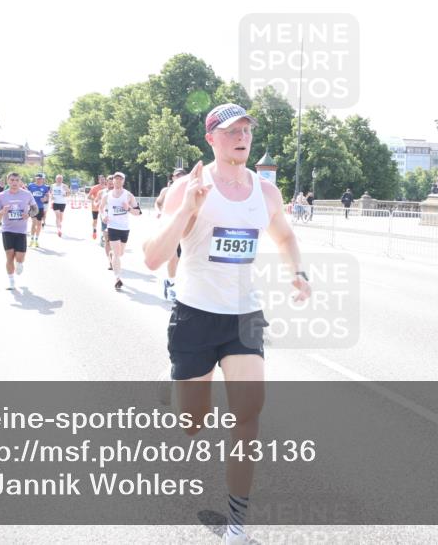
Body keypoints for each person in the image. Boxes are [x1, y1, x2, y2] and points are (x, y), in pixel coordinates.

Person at [143, 103, 311, 545]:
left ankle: (237, 524)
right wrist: (185, 212)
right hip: (195, 315)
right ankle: (178, 384)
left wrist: (299, 271)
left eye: (247, 130)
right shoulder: (187, 188)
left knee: (248, 416)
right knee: (192, 423)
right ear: (211, 139)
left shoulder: (266, 191)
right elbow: (152, 257)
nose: (242, 137)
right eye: (231, 130)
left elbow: (286, 236)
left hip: (244, 316)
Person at [0, 172, 38, 290]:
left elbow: (35, 210)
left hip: (21, 231)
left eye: (17, 180)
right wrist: (2, 212)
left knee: (20, 258)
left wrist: (28, 214)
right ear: (8, 181)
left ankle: (20, 264)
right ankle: (11, 282)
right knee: (9, 256)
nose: (14, 182)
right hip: (7, 230)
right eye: (12, 180)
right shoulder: (1, 196)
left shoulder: (27, 194)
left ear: (20, 182)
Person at [103, 172, 141, 290]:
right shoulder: (107, 195)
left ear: (123, 181)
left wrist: (128, 208)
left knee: (120, 253)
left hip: (124, 228)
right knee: (117, 254)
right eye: (116, 179)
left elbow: (138, 212)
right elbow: (101, 208)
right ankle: (117, 278)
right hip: (112, 227)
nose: (118, 181)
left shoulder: (128, 195)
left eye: (120, 179)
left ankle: (112, 255)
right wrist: (103, 216)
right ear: (112, 181)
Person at [155, 168, 187, 301]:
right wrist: (158, 211)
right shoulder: (166, 191)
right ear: (172, 178)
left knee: (182, 258)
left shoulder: (190, 190)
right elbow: (158, 202)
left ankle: (171, 280)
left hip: (185, 228)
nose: (179, 177)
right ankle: (172, 284)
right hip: (169, 226)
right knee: (173, 257)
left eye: (182, 175)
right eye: (177, 175)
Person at [27, 173, 51, 248]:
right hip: (33, 207)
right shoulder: (31, 186)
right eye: (37, 178)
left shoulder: (45, 187)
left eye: (40, 179)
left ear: (42, 179)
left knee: (39, 224)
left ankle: (36, 240)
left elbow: (47, 196)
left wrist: (45, 199)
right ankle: (31, 239)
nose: (38, 180)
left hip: (40, 207)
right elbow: (26, 194)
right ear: (35, 178)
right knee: (33, 223)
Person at [87, 174, 107, 240]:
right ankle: (94, 230)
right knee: (95, 220)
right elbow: (88, 196)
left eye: (103, 180)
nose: (102, 181)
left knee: (103, 221)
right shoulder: (94, 188)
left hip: (104, 208)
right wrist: (95, 199)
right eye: (101, 180)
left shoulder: (107, 188)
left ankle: (103, 235)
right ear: (99, 181)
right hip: (95, 207)